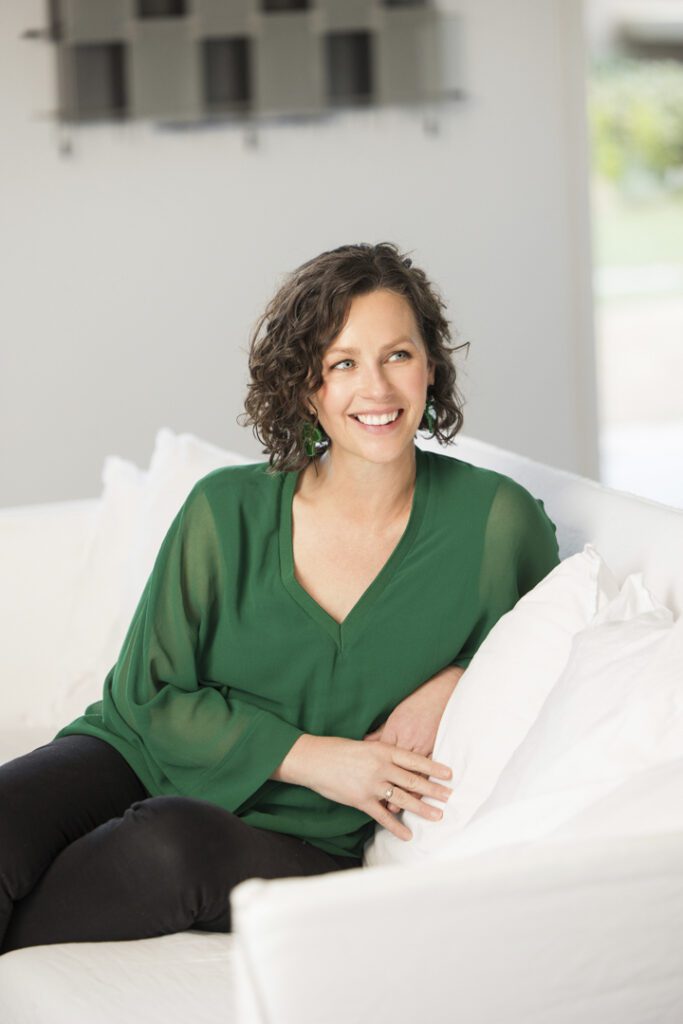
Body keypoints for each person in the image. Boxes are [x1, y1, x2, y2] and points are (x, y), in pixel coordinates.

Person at [0, 242, 560, 954]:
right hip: (140, 752)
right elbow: (147, 696)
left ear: (431, 366)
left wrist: (455, 679)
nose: (377, 390)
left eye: (397, 355)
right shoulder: (223, 509)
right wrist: (315, 755)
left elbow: (553, 628)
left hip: (303, 833)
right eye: (343, 364)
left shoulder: (493, 520)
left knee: (168, 844)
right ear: (305, 387)